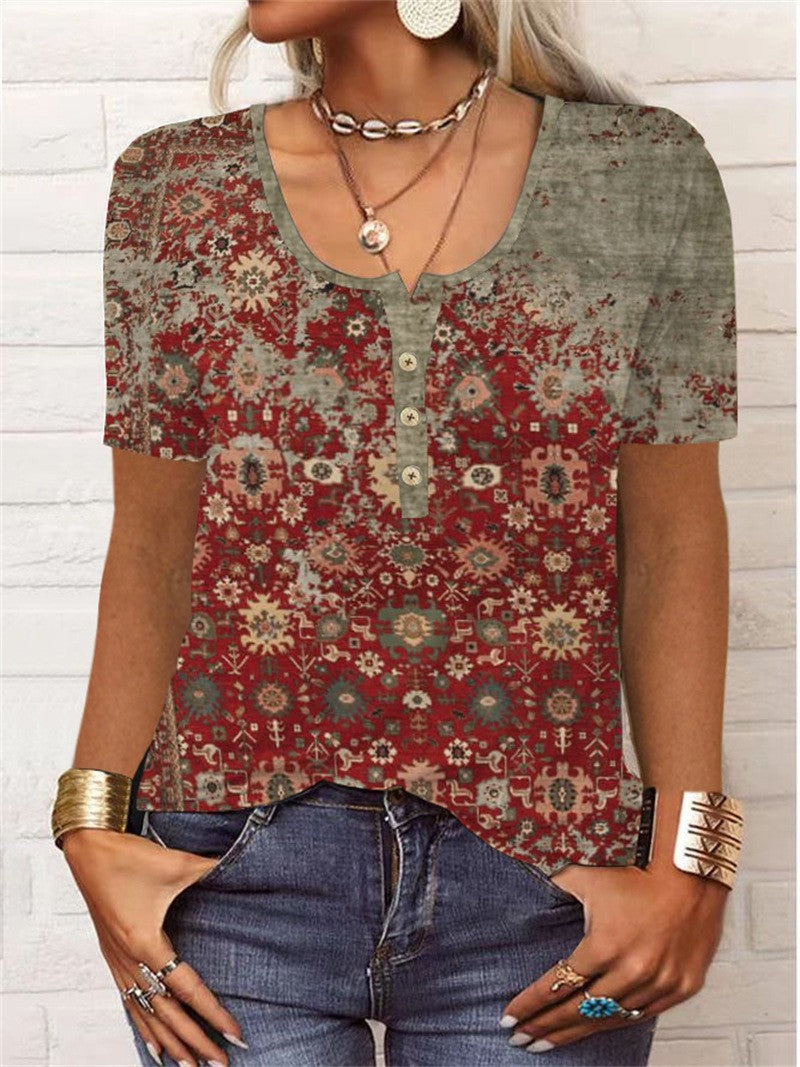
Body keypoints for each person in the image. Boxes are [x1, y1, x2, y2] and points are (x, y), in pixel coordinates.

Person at [50, 1, 745, 1065]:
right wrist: (89, 825)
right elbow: (151, 544)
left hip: (544, 879)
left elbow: (672, 539)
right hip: (229, 878)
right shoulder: (176, 186)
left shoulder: (640, 174)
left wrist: (691, 862)